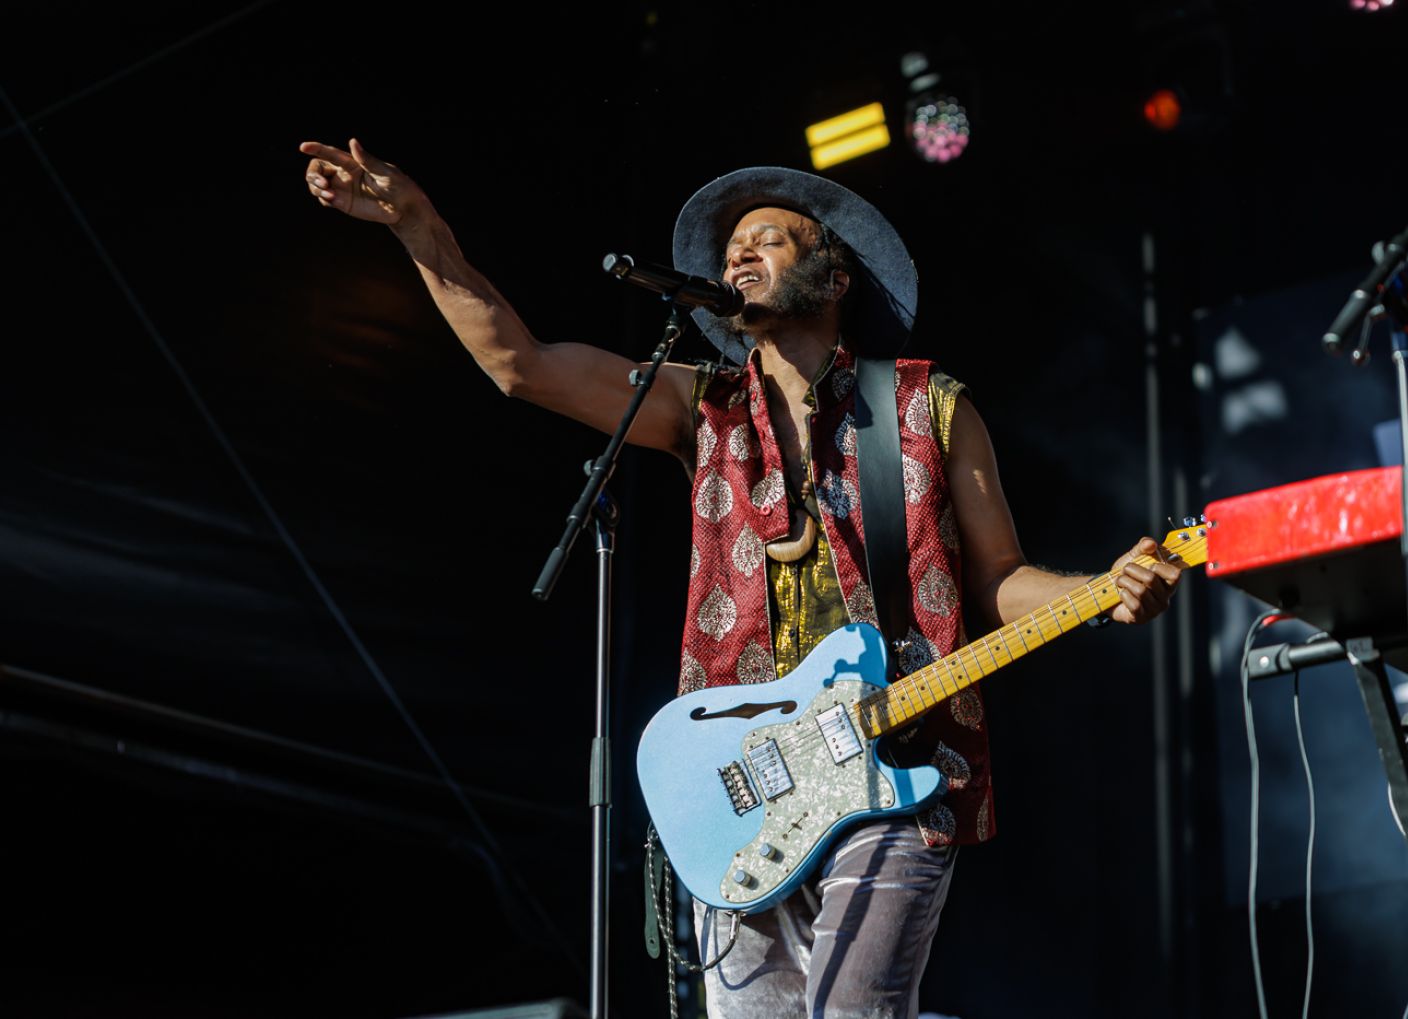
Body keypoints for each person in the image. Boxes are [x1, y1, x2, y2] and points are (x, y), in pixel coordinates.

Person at [299, 138, 1182, 1017]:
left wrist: (1104, 590)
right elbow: (520, 366)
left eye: (768, 239)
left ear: (835, 281)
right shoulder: (703, 406)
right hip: (744, 787)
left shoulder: (927, 404)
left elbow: (999, 580)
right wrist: (419, 229)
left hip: (895, 769)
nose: (737, 255)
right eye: (731, 250)